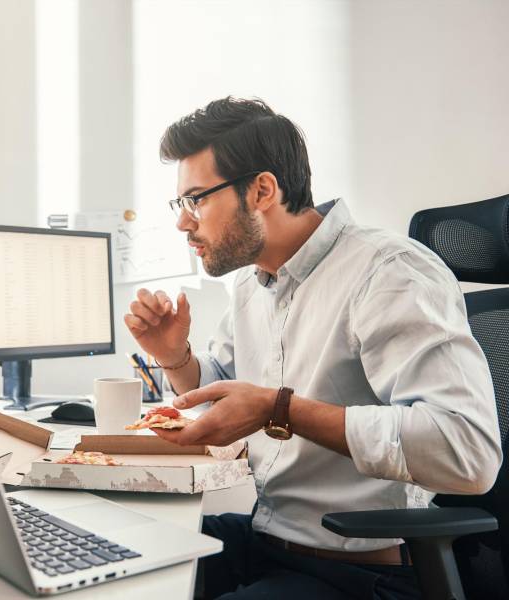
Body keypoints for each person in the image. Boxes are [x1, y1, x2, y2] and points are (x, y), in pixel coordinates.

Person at [124, 97, 502, 599]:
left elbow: (467, 451)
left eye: (197, 199)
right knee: (112, 554)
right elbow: (229, 403)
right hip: (269, 540)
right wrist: (175, 356)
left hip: (364, 571)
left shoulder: (389, 271)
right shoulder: (251, 285)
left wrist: (281, 409)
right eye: (181, 203)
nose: (183, 222)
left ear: (261, 190)